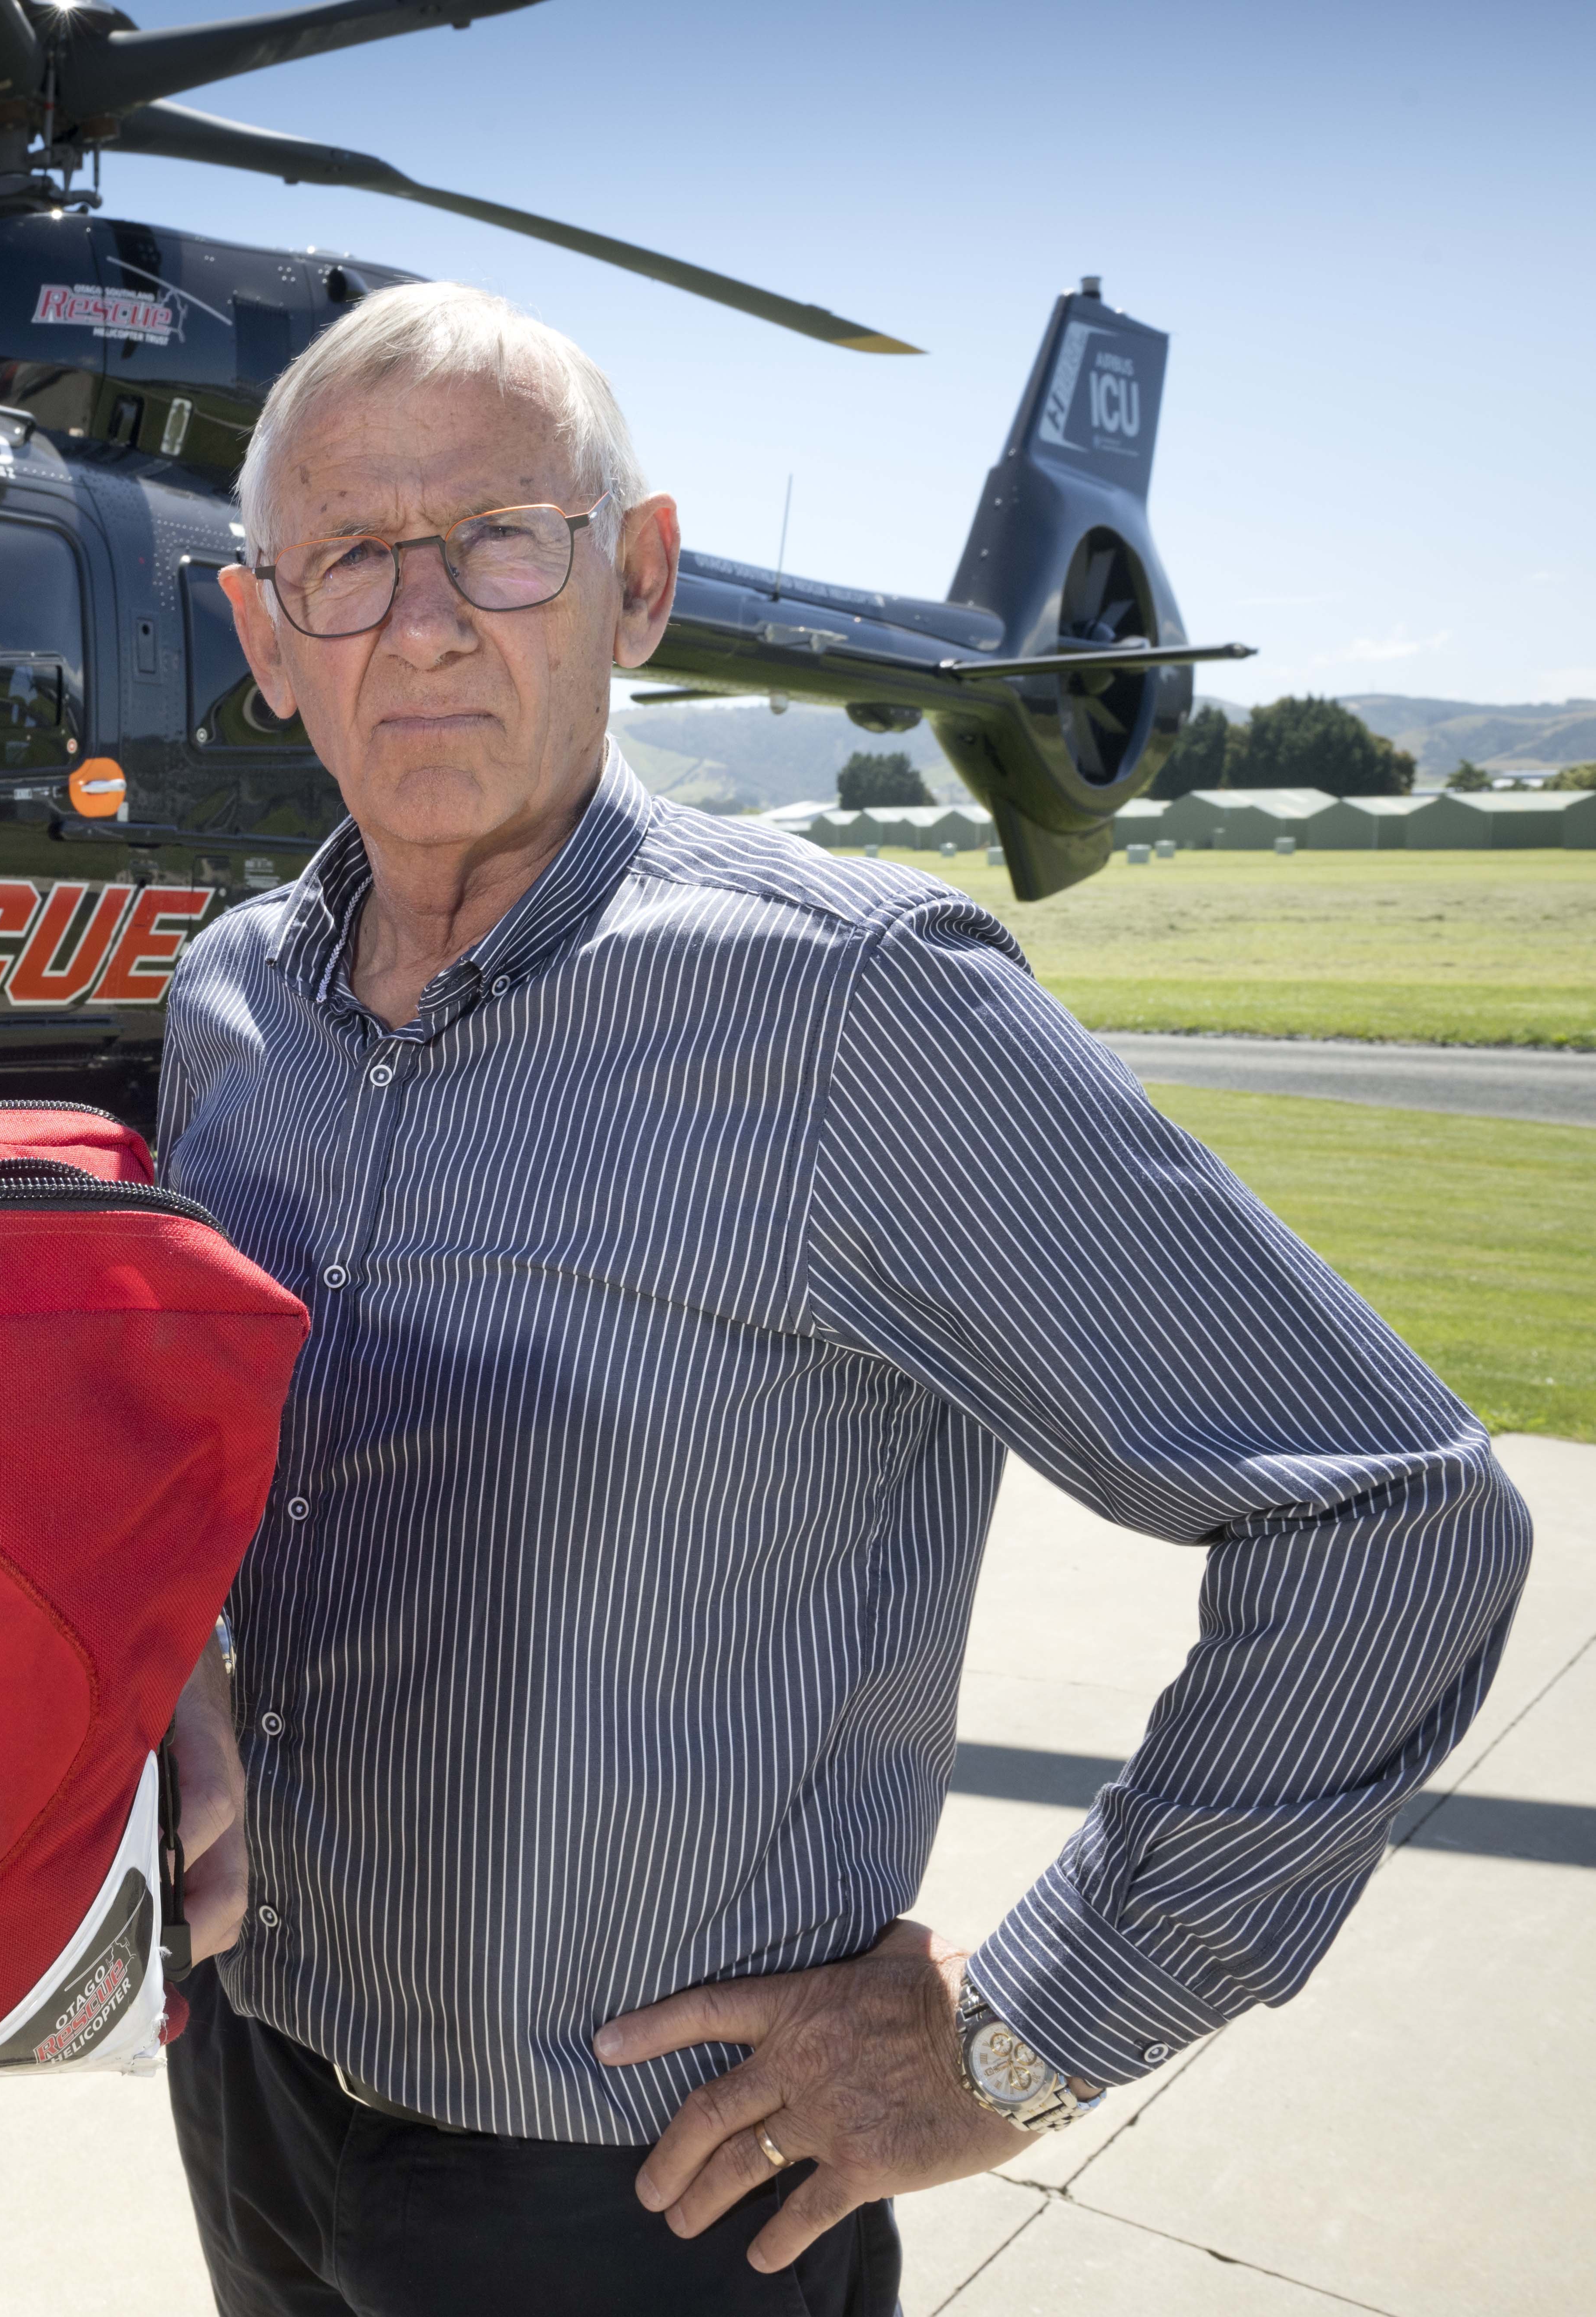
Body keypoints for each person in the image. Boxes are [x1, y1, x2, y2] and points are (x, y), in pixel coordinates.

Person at [151, 284, 1530, 2316]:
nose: (424, 622)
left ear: (634, 583)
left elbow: (1391, 1511)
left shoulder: (848, 1007)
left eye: (501, 540)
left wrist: (1035, 2026)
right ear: (266, 634)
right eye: (348, 558)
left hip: (646, 2195)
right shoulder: (229, 1006)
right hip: (245, 2087)